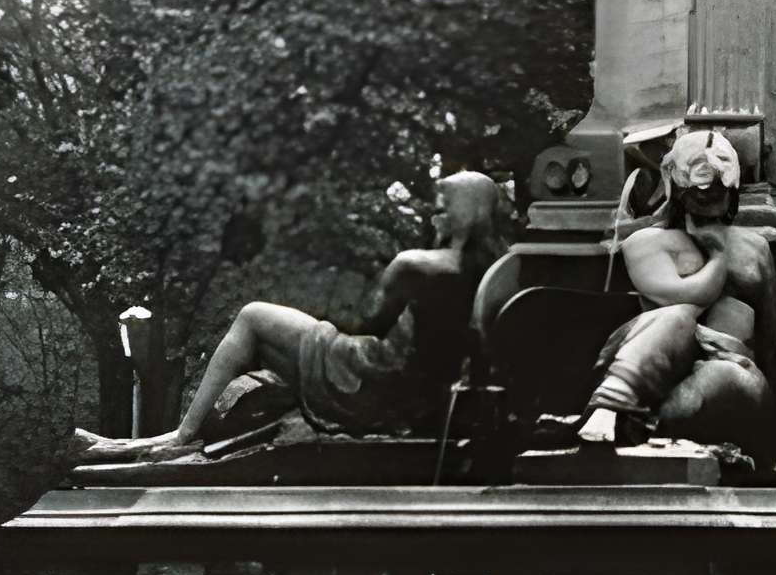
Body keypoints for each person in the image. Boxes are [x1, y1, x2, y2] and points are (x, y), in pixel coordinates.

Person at [75, 172, 507, 462]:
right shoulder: (496, 268)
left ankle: (180, 436)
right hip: (418, 391)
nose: (434, 212)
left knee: (253, 316)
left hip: (372, 376)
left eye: (442, 205)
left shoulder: (415, 265)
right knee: (274, 350)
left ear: (461, 211)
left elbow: (368, 325)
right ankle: (160, 440)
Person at [572, 123, 776, 453]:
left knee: (725, 376)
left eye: (718, 189)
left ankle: (633, 429)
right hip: (657, 370)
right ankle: (611, 407)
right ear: (675, 189)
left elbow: (771, 339)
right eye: (699, 190)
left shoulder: (755, 248)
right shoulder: (645, 242)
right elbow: (688, 298)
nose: (708, 197)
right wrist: (717, 257)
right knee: (677, 318)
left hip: (735, 373)